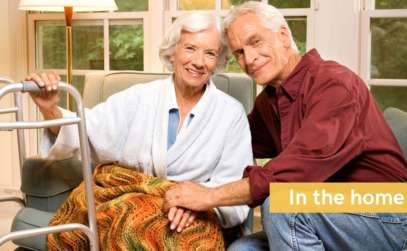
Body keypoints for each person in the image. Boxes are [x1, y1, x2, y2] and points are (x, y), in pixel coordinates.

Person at [164, 2, 407, 251]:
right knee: (241, 249)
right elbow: (229, 144)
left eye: (255, 42)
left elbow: (296, 171)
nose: (248, 59)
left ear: (283, 35)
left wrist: (208, 197)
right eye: (239, 52)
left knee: (283, 204)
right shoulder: (269, 102)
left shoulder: (335, 84)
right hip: (320, 212)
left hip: (387, 210)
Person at [27, 12, 252, 250]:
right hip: (129, 199)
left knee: (191, 241)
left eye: (210, 53)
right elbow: (85, 131)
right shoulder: (139, 97)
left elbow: (234, 184)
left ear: (218, 61)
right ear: (172, 51)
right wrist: (50, 108)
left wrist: (198, 203)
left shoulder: (231, 113)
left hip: (196, 214)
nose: (198, 61)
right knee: (127, 224)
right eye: (190, 48)